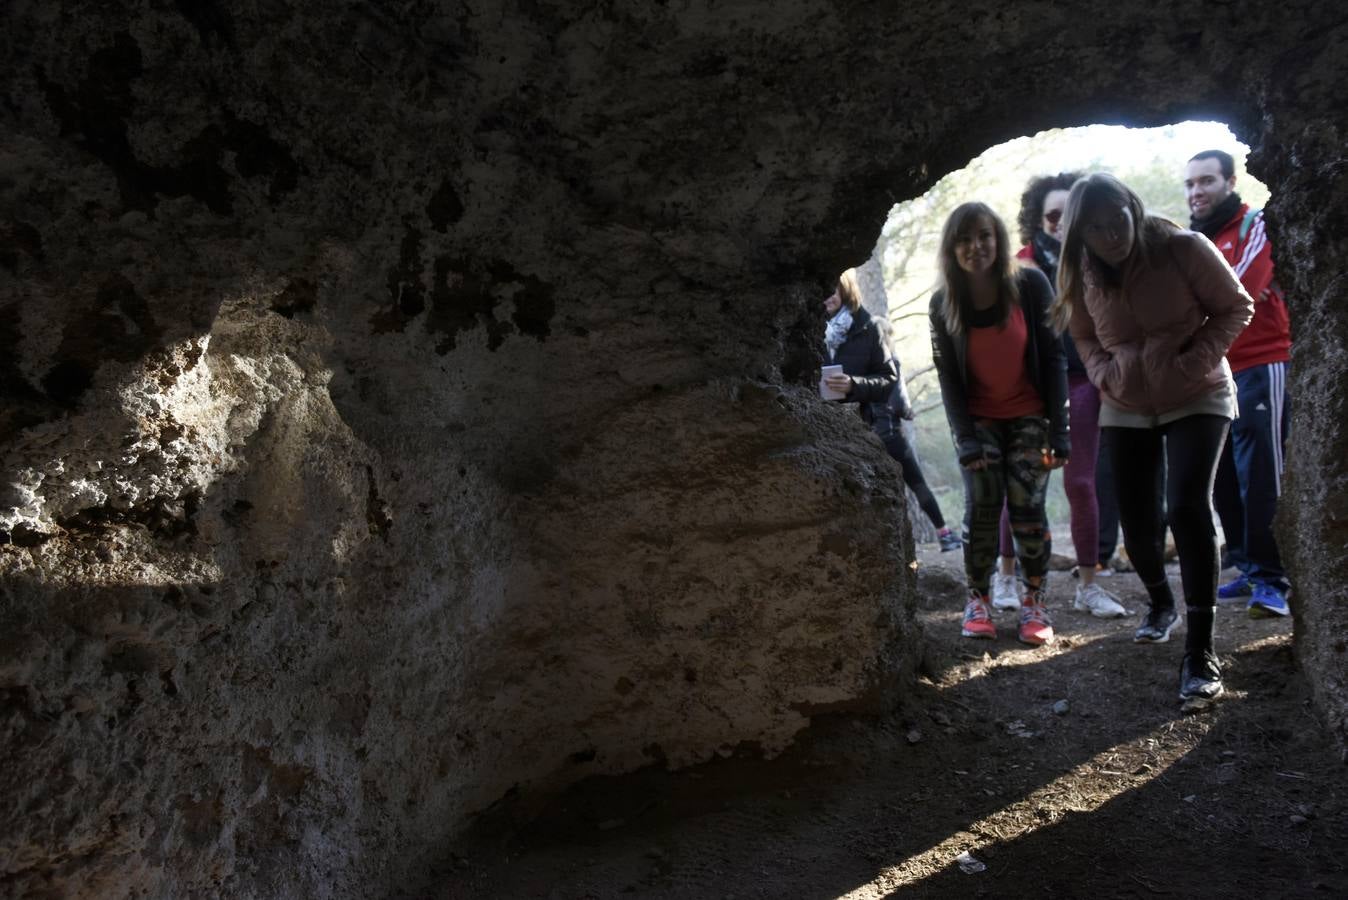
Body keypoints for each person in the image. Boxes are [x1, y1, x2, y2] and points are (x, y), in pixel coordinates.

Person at [1057, 173, 1253, 707]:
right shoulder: (1081, 270)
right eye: (1094, 226)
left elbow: (1236, 306)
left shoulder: (1181, 247)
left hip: (1197, 390)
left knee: (1187, 507)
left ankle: (1200, 650)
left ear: (1132, 206)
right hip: (1125, 400)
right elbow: (1082, 334)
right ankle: (1161, 603)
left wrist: (1193, 360)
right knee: (1139, 524)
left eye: (1116, 217)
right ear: (1080, 234)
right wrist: (1102, 373)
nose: (1110, 233)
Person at [989, 173, 1127, 619]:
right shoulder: (1018, 267)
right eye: (1052, 215)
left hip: (1084, 380)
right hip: (1027, 388)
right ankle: (1005, 575)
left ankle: (1089, 585)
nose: (1061, 223)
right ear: (1038, 219)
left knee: (1081, 482)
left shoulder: (1098, 262)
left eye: (1071, 215)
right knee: (1021, 484)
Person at [930, 203, 1068, 646]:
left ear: (999, 238)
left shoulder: (1029, 283)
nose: (976, 247)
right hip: (980, 418)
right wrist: (965, 439)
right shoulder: (944, 301)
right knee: (983, 509)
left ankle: (1034, 603)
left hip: (1030, 413)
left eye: (984, 235)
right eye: (965, 239)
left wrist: (1060, 429)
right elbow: (949, 378)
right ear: (953, 248)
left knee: (1028, 509)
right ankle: (979, 601)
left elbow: (1054, 357)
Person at [1185, 149, 1293, 618]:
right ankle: (1248, 568)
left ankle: (1273, 580)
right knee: (1223, 476)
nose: (1196, 192)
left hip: (1261, 362)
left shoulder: (1255, 227)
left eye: (1206, 181)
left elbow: (1240, 286)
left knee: (1261, 473)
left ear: (1230, 182)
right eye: (1190, 184)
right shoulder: (1191, 241)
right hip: (1214, 373)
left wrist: (1194, 312)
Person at [824, 271, 960, 550]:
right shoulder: (807, 330)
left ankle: (939, 534)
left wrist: (853, 385)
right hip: (827, 432)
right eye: (824, 291)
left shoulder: (867, 327)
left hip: (876, 428)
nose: (829, 296)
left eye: (834, 290)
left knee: (908, 482)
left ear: (846, 290)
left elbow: (888, 380)